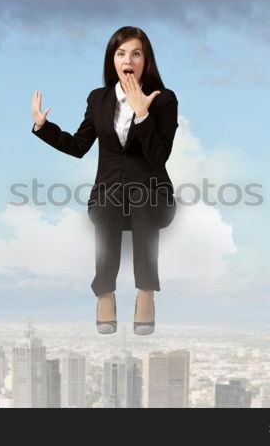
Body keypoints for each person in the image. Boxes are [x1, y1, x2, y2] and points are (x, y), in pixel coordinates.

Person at [30, 26, 178, 335]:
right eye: (121, 53)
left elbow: (158, 157)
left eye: (136, 53)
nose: (128, 60)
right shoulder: (99, 99)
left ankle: (146, 293)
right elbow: (79, 146)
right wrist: (44, 127)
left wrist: (142, 115)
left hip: (153, 197)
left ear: (146, 60)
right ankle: (105, 294)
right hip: (109, 198)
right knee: (111, 201)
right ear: (112, 60)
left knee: (141, 198)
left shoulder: (163, 101)